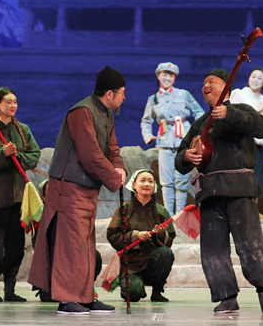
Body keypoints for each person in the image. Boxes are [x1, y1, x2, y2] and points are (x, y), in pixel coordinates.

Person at [28, 66, 127, 316]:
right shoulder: (82, 111)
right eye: (122, 93)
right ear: (109, 93)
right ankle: (66, 299)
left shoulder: (106, 113)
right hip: (68, 187)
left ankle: (84, 297)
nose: (124, 97)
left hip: (87, 190)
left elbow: (112, 149)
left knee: (84, 245)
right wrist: (114, 179)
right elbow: (89, 154)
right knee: (69, 244)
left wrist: (119, 167)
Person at [175, 69, 263, 315]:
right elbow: (180, 159)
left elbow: (261, 127)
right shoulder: (200, 123)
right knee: (213, 250)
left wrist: (229, 114)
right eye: (203, 82)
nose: (205, 85)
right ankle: (226, 297)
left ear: (226, 87)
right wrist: (186, 156)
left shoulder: (240, 110)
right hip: (210, 193)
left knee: (250, 245)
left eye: (211, 81)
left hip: (239, 188)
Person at [0, 87, 41, 303]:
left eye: (15, 102)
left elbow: (34, 155)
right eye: (8, 102)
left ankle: (10, 289)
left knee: (15, 246)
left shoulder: (23, 130)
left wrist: (17, 156)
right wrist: (2, 154)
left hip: (18, 198)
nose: (13, 105)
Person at [140, 62, 205, 214]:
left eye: (171, 75)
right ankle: (169, 216)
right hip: (164, 141)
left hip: (184, 140)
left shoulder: (183, 94)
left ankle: (180, 215)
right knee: (167, 181)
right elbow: (146, 120)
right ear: (159, 76)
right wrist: (148, 135)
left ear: (174, 78)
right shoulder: (153, 99)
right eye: (164, 74)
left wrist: (197, 133)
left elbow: (199, 112)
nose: (167, 78)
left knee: (181, 180)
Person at [106, 169, 175, 303]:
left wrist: (161, 234)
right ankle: (136, 287)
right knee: (133, 294)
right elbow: (113, 235)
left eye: (150, 181)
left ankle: (157, 291)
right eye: (142, 181)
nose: (146, 184)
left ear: (154, 186)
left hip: (152, 263)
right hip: (131, 265)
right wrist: (135, 235)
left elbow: (169, 241)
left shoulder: (161, 211)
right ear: (134, 185)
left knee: (166, 253)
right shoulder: (124, 209)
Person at [31, 178, 102, 303]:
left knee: (93, 255)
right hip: (54, 267)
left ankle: (81, 288)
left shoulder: (72, 213)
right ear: (44, 197)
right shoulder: (40, 217)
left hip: (72, 262)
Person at [229, 67, 263, 197]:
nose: (255, 80)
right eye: (253, 76)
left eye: (260, 78)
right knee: (238, 180)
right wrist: (256, 111)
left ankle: (253, 209)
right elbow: (235, 117)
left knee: (255, 183)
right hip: (239, 143)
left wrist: (260, 113)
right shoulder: (239, 94)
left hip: (255, 145)